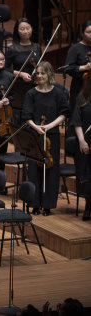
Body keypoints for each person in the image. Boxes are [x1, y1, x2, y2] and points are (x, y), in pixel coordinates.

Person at [22, 61, 69, 216]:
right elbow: (26, 115)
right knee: (34, 170)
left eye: (43, 73)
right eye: (38, 73)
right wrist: (37, 127)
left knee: (51, 170)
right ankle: (35, 204)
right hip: (34, 137)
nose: (40, 76)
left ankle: (48, 205)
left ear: (49, 74)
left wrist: (49, 126)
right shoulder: (31, 94)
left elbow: (64, 113)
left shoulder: (58, 93)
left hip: (52, 136)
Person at [70, 75, 91, 221]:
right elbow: (77, 121)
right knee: (86, 177)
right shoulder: (83, 96)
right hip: (85, 143)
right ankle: (88, 206)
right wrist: (82, 141)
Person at [65, 21, 91, 110]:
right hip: (80, 88)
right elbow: (68, 68)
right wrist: (84, 67)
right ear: (82, 33)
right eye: (88, 32)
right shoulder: (75, 48)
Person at [5, 18, 40, 83]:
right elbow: (4, 69)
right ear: (17, 31)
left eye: (28, 28)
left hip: (37, 82)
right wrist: (21, 74)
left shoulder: (37, 47)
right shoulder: (13, 49)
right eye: (22, 29)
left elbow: (41, 65)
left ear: (32, 28)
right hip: (19, 82)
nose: (26, 31)